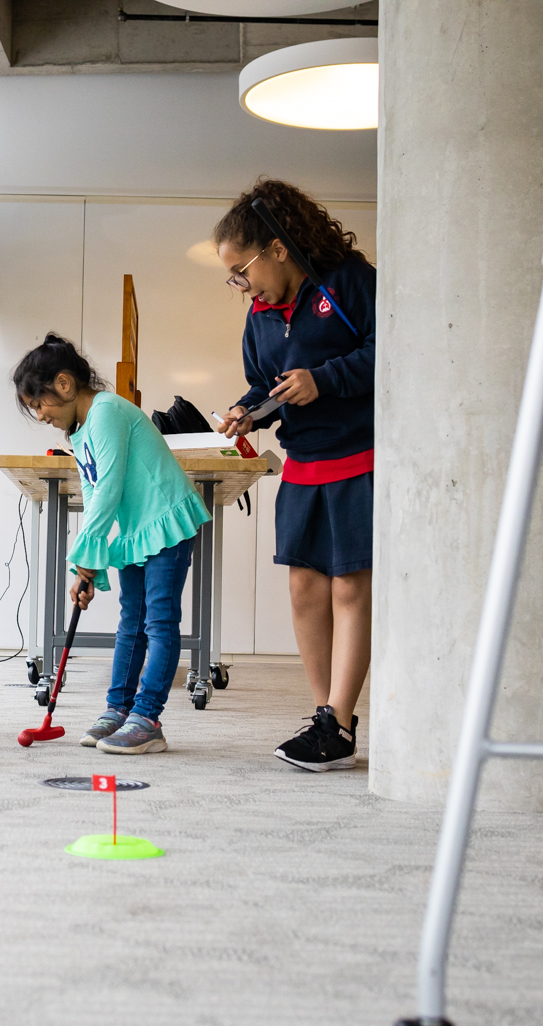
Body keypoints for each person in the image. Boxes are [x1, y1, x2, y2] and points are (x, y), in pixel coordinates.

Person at [213, 178, 376, 772]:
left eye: (241, 270)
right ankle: (322, 717)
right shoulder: (259, 318)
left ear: (277, 249)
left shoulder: (351, 282)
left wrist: (323, 379)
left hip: (360, 455)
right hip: (303, 463)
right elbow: (266, 384)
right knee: (305, 587)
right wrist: (245, 410)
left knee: (350, 586)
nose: (241, 285)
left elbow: (394, 348)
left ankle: (341, 719)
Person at [14, 334, 213, 755]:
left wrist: (85, 555)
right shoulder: (80, 430)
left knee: (158, 621)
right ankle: (117, 709)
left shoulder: (105, 412)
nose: (40, 415)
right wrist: (90, 566)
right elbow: (93, 494)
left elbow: (108, 490)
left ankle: (147, 718)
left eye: (40, 403)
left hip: (165, 521)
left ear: (64, 385)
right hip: (136, 531)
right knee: (130, 623)